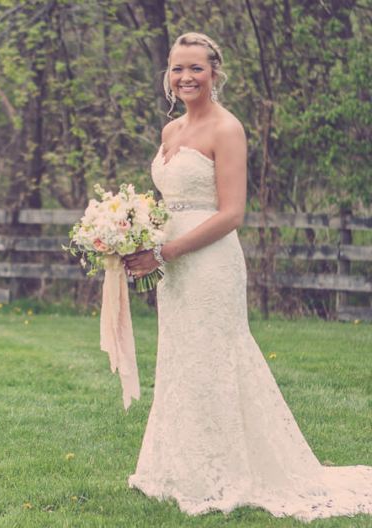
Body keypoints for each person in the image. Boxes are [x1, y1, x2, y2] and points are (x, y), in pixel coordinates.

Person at [120, 32, 372, 522]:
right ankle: (178, 470)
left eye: (196, 68)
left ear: (214, 73)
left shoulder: (227, 128)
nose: (186, 77)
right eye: (177, 68)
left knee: (214, 358)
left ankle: (225, 473)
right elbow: (171, 203)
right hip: (171, 265)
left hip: (209, 263)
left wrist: (164, 252)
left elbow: (232, 213)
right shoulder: (170, 131)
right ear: (167, 75)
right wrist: (135, 232)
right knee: (180, 359)